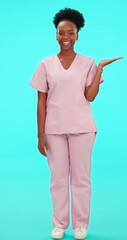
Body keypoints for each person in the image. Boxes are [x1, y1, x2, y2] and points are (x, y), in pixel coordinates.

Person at [29, 8, 123, 240]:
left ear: (78, 35)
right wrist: (40, 135)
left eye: (70, 32)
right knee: (58, 178)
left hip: (83, 128)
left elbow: (90, 96)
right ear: (56, 35)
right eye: (61, 32)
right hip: (54, 130)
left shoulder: (88, 63)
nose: (66, 37)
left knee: (81, 178)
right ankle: (60, 223)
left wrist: (99, 68)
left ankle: (80, 224)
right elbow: (41, 103)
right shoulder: (45, 64)